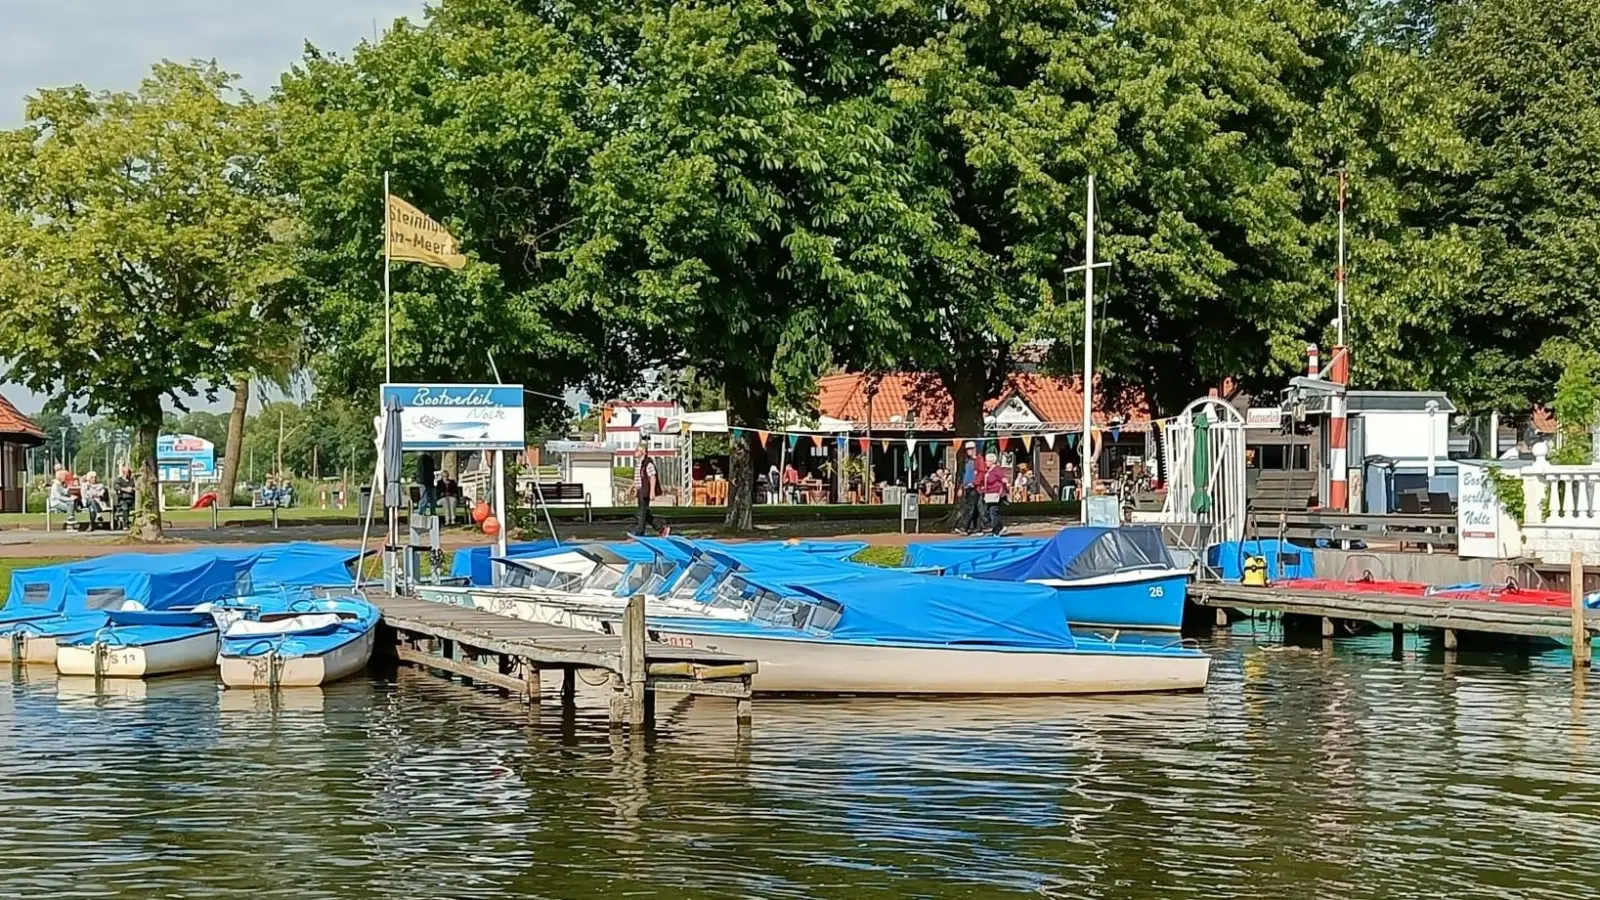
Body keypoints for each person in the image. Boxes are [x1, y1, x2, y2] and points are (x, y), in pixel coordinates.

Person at [633, 445, 666, 536]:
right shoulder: (639, 463)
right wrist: (634, 489)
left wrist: (652, 491)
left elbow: (652, 477)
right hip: (641, 490)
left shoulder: (648, 463)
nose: (635, 452)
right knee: (645, 513)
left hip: (645, 491)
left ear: (643, 452)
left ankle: (639, 532)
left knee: (641, 513)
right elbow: (638, 478)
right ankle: (661, 528)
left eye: (637, 450)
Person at [957, 442, 987, 534]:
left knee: (969, 507)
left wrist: (974, 483)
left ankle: (963, 527)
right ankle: (978, 528)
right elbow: (963, 474)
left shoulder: (979, 459)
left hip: (974, 487)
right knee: (975, 508)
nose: (969, 451)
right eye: (967, 449)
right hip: (967, 486)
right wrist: (961, 487)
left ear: (975, 449)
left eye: (970, 449)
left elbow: (981, 473)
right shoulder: (966, 460)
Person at [982, 453, 1009, 535]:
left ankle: (996, 530)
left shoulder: (996, 470)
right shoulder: (989, 470)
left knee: (993, 512)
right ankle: (1000, 527)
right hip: (989, 493)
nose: (985, 462)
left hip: (996, 494)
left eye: (987, 461)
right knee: (990, 511)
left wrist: (1007, 483)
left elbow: (1003, 478)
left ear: (991, 461)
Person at [113, 464, 136, 529]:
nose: (129, 474)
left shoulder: (133, 480)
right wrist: (126, 489)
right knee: (124, 507)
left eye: (129, 472)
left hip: (132, 499)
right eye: (127, 472)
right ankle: (125, 525)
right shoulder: (119, 480)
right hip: (123, 499)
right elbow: (117, 487)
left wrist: (132, 489)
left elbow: (137, 487)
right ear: (124, 472)